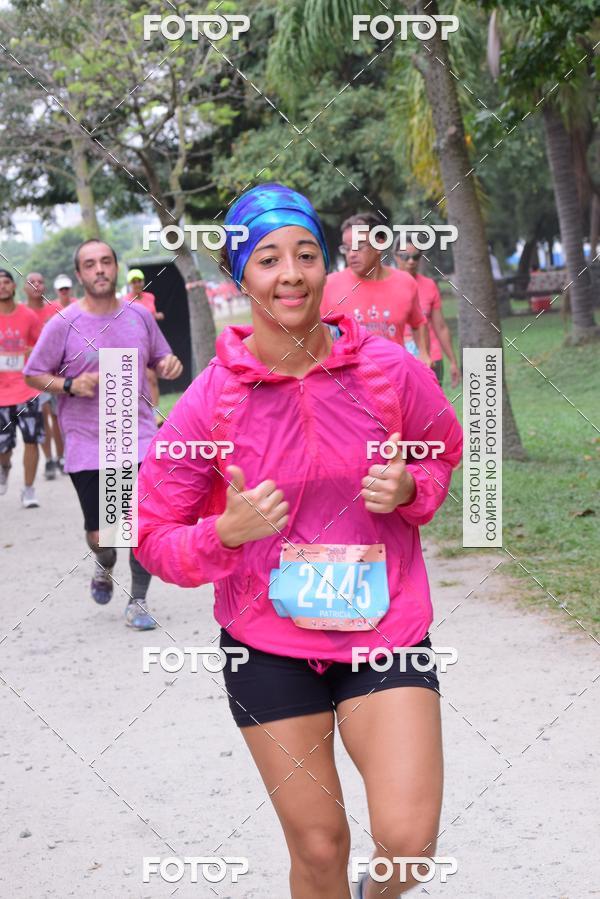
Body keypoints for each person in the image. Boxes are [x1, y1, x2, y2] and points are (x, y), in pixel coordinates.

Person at [134, 184, 462, 898]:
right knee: (320, 848)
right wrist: (225, 533)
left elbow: (441, 445)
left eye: (306, 254)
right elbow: (153, 534)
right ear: (240, 276)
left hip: (385, 628)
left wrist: (412, 489)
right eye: (268, 259)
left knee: (408, 844)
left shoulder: (387, 368)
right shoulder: (209, 400)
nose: (290, 273)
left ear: (326, 265)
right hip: (269, 646)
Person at [24, 239, 183, 630]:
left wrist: (168, 363)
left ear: (115, 267)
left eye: (106, 262)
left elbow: (159, 355)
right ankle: (104, 562)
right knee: (104, 533)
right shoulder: (63, 323)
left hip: (138, 436)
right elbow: (33, 372)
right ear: (80, 275)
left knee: (140, 525)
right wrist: (70, 385)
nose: (100, 270)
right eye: (90, 265)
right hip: (88, 443)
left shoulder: (138, 316)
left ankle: (139, 600)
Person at [321, 213, 431, 367]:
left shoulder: (405, 283)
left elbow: (418, 323)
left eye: (359, 246)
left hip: (395, 378)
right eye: (346, 248)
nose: (351, 254)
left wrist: (424, 354)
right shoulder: (329, 285)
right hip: (348, 383)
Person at [0, 268, 44, 508]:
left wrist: (31, 352)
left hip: (27, 389)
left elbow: (42, 347)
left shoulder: (28, 316)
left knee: (31, 439)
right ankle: (4, 465)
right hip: (1, 394)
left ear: (14, 286)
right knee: (3, 444)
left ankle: (28, 490)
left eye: (6, 282)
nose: (3, 286)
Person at [395, 240, 460, 388]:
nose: (411, 261)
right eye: (405, 256)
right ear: (395, 256)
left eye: (416, 257)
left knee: (434, 409)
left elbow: (441, 327)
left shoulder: (429, 285)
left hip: (431, 359)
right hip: (399, 361)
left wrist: (453, 361)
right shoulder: (385, 286)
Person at [23, 271, 64, 478]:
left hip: (57, 372)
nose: (37, 285)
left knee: (58, 417)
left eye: (41, 281)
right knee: (43, 414)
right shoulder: (22, 314)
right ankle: (49, 460)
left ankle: (62, 457)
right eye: (32, 282)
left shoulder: (55, 309)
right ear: (24, 288)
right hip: (34, 376)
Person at [124, 269, 165, 419]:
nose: (137, 284)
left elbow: (150, 316)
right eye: (133, 281)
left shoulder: (150, 297)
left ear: (143, 281)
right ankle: (142, 414)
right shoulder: (125, 301)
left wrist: (157, 316)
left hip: (152, 343)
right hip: (134, 344)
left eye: (139, 281)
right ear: (129, 284)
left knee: (152, 378)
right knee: (141, 380)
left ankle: (156, 414)